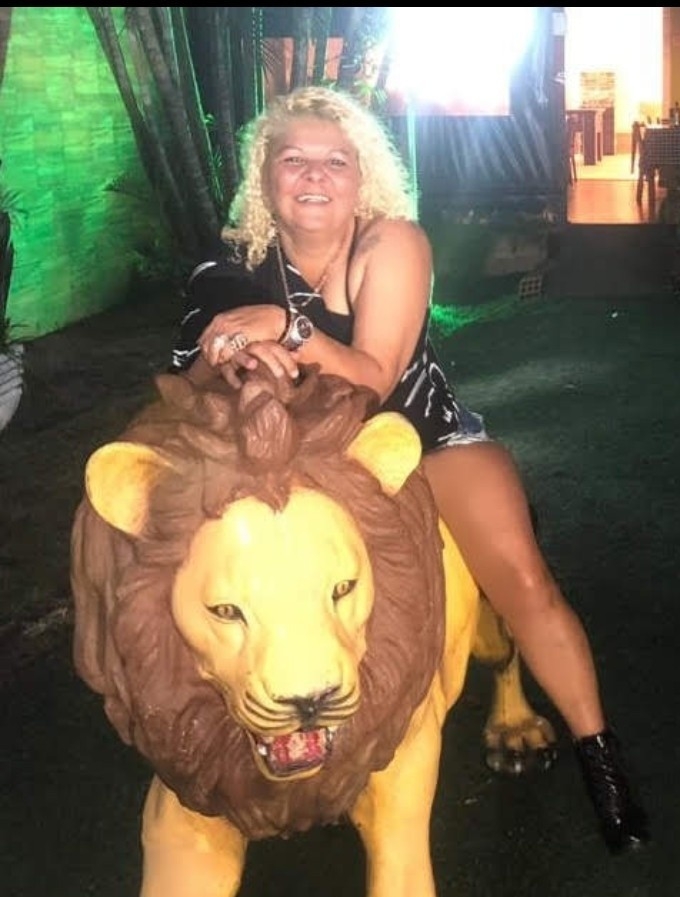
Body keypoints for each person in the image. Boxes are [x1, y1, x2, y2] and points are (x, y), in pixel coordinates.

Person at [169, 84, 649, 855]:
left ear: (363, 176)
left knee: (522, 580)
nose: (315, 175)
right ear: (264, 175)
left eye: (336, 161)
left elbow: (374, 378)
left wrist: (284, 329)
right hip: (310, 464)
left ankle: (601, 760)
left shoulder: (390, 243)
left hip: (422, 439)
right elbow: (194, 367)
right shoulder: (239, 266)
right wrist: (225, 351)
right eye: (294, 160)